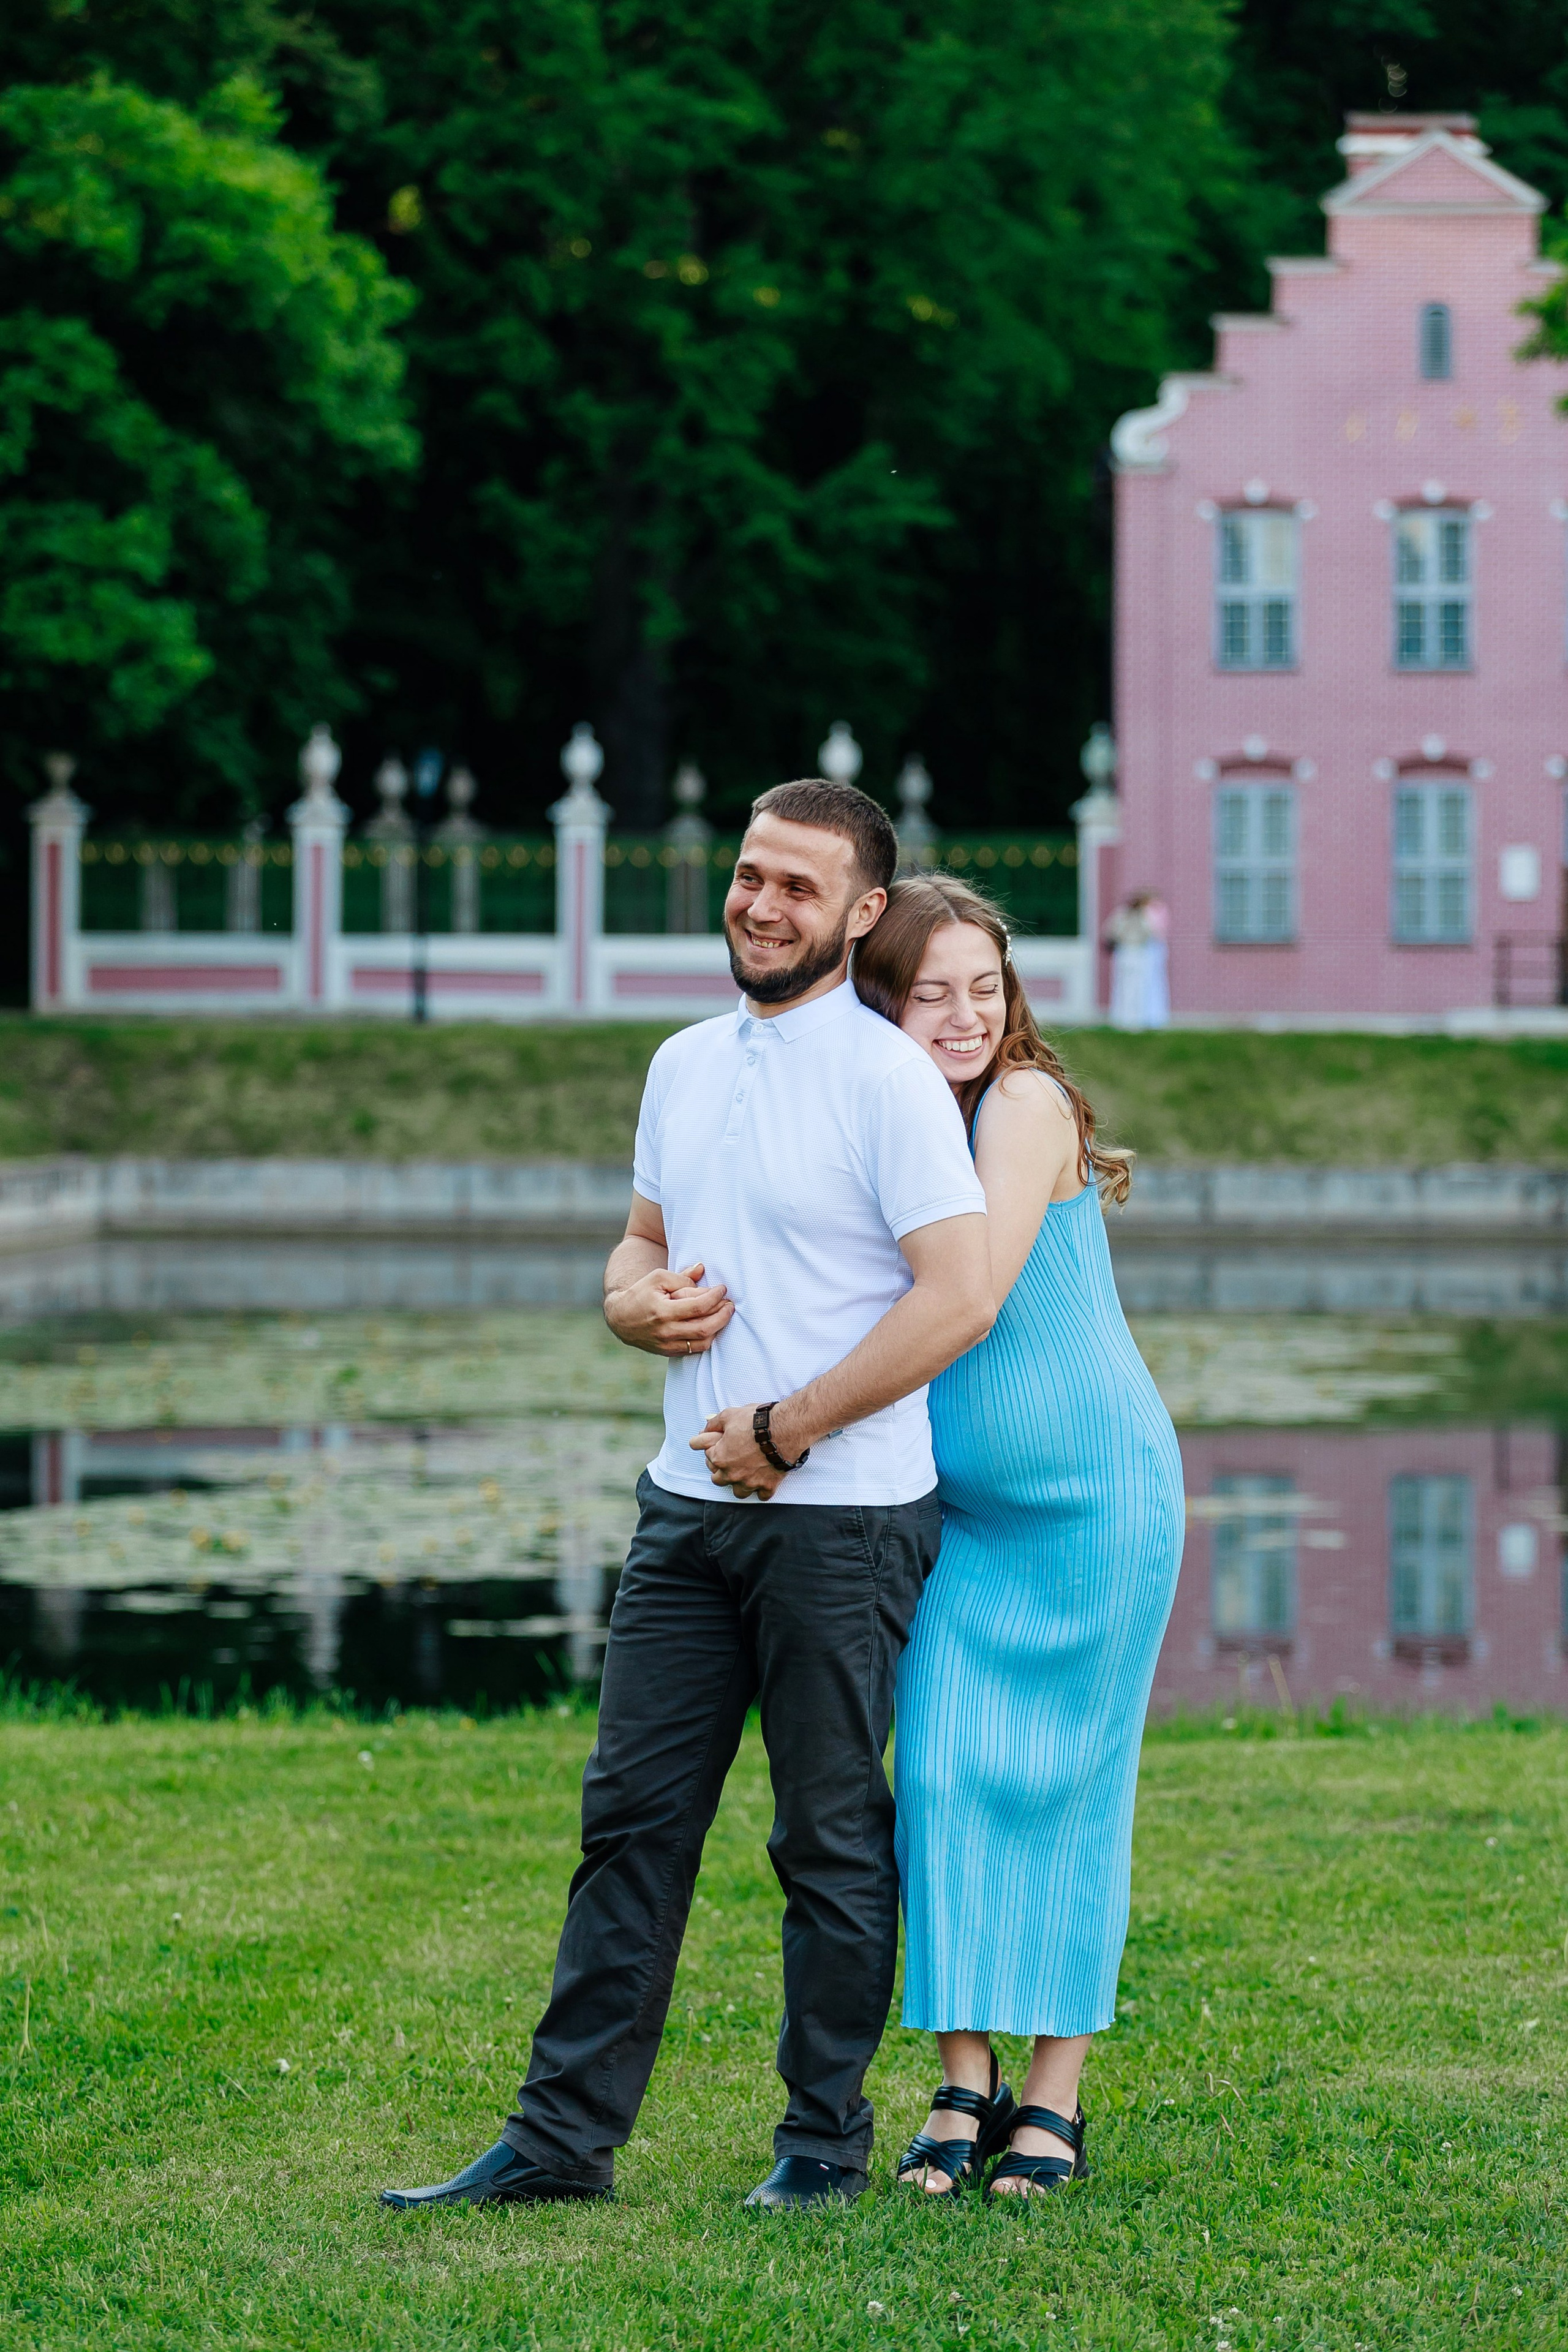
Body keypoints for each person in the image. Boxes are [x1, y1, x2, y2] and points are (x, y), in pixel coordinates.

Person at [381, 779, 992, 2215]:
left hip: (844, 1521)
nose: (760, 905)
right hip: (683, 1513)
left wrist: (788, 1427)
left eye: (797, 887)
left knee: (824, 1838)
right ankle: (558, 2143)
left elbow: (958, 1296)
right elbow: (641, 1241)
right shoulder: (681, 1063)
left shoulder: (887, 1081)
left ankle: (821, 2145)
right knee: (629, 1825)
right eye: (748, 875)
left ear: (860, 912)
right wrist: (625, 1303)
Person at [853, 875, 1184, 2201]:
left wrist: (794, 1421)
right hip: (970, 1520)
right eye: (931, 991)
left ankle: (1050, 2101)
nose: (965, 1015)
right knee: (941, 1773)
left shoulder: (1023, 1102)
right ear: (880, 1000)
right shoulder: (890, 1118)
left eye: (983, 988)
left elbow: (971, 1298)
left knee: (1072, 1791)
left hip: (1098, 1504)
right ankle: (961, 2080)